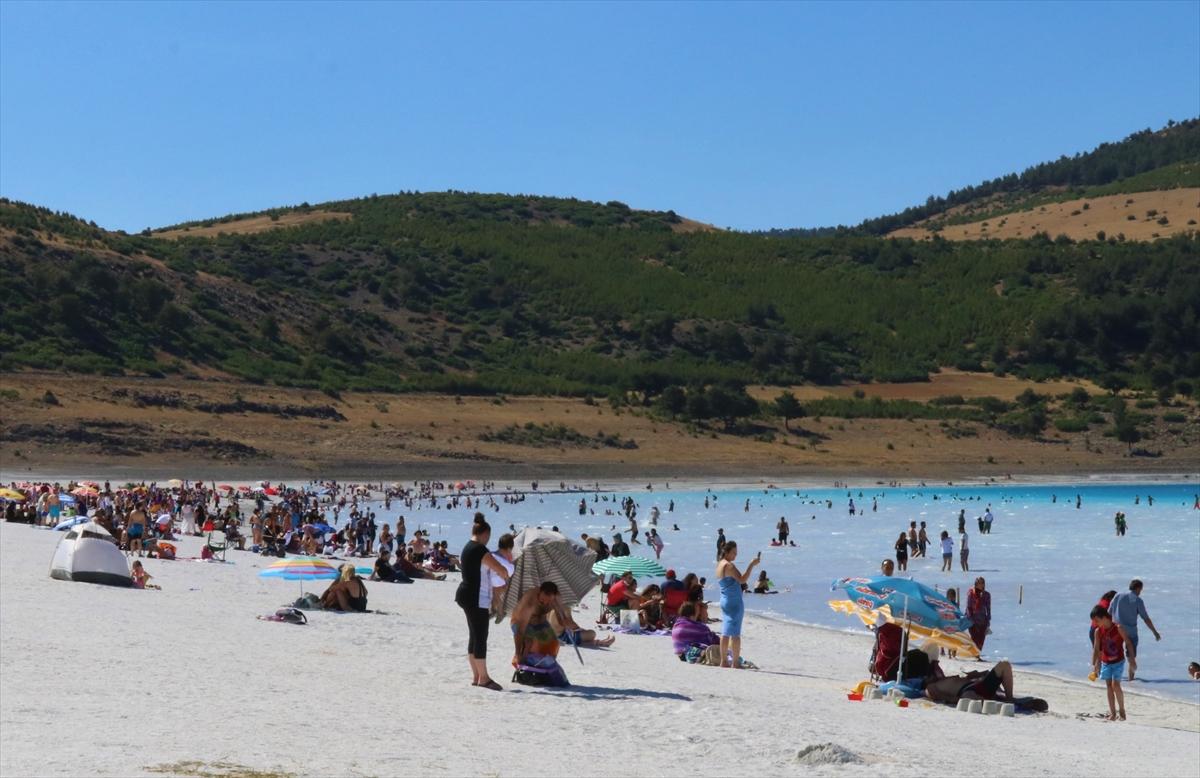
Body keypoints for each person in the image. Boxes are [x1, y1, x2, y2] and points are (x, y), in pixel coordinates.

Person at [455, 517, 511, 690]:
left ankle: (477, 676)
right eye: (488, 536)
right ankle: (484, 678)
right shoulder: (480, 550)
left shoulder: (467, 547)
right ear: (485, 533)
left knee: (474, 635)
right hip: (475, 596)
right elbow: (500, 569)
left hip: (465, 594)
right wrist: (507, 575)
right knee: (480, 636)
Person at [510, 581, 569, 686]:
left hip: (540, 622)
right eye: (542, 600)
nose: (545, 603)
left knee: (554, 644)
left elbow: (562, 619)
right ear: (539, 593)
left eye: (548, 601)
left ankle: (543, 669)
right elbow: (520, 631)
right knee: (528, 642)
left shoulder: (556, 598)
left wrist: (565, 621)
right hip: (520, 623)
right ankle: (522, 667)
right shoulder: (529, 603)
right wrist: (517, 653)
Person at [715, 541, 760, 669]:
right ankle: (735, 662)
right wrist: (752, 564)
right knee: (735, 633)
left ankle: (724, 661)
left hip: (724, 599)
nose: (735, 556)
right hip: (734, 601)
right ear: (727, 552)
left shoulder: (719, 564)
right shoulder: (729, 565)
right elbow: (742, 579)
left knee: (725, 631)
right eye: (734, 553)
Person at [1107, 579, 1162, 681]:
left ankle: (1111, 676)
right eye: (1140, 589)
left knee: (1114, 653)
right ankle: (1130, 679)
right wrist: (1155, 632)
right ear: (1138, 588)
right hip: (1130, 630)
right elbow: (1146, 618)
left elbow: (1109, 612)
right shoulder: (1138, 600)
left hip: (1117, 629)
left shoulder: (1118, 595)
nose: (1140, 592)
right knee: (1131, 654)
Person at [1091, 605, 1135, 721]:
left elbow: (1128, 643)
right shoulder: (1098, 631)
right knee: (1108, 686)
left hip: (1118, 661)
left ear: (1105, 617)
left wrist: (1132, 660)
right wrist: (1095, 664)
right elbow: (1096, 649)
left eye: (1097, 620)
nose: (1095, 623)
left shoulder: (1118, 628)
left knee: (1116, 685)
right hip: (1105, 662)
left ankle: (1122, 710)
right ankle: (1113, 713)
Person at [966, 577, 991, 653]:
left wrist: (988, 619)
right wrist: (970, 619)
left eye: (983, 583)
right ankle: (974, 654)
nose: (982, 584)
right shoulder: (971, 593)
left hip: (982, 619)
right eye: (980, 583)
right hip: (972, 620)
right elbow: (968, 606)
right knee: (974, 639)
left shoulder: (986, 595)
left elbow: (988, 608)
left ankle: (977, 655)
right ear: (976, 584)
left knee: (981, 639)